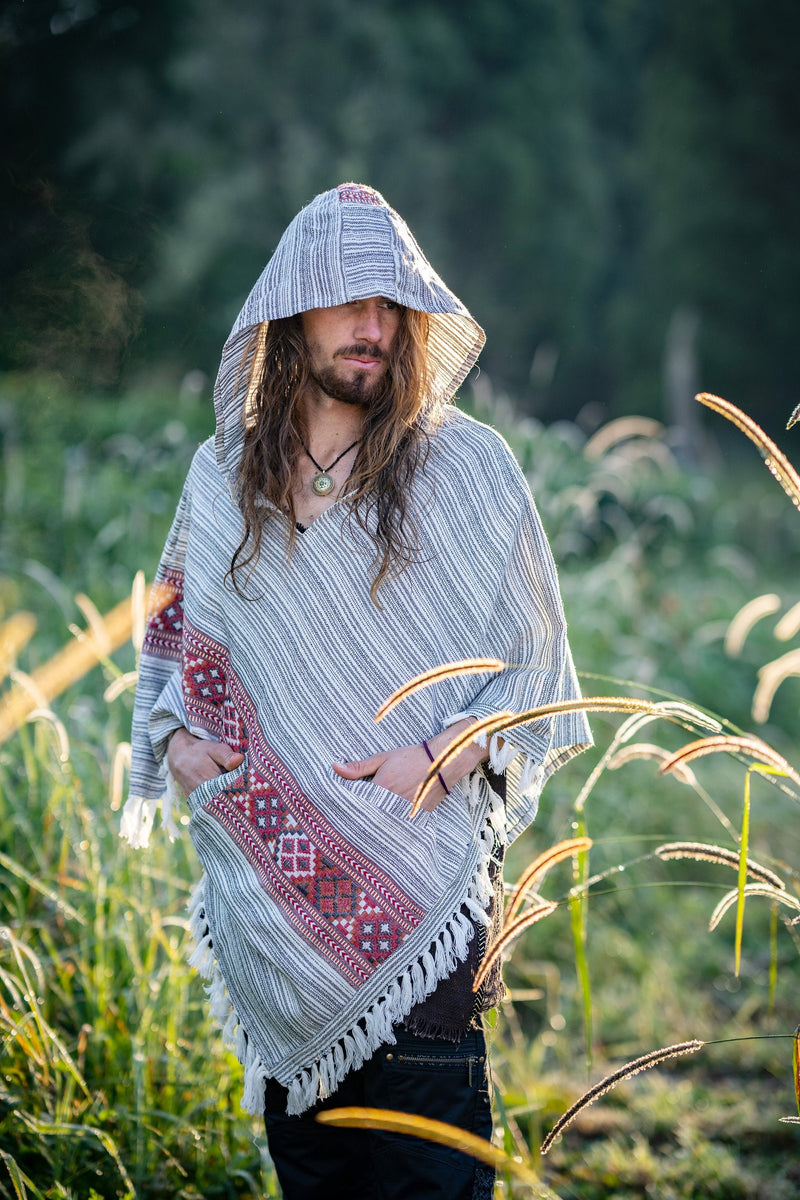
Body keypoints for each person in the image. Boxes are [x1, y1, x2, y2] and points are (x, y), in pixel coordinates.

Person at [124, 182, 591, 1200]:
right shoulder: (220, 478)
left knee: (430, 1178)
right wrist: (174, 747)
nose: (371, 328)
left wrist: (441, 753)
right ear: (289, 313)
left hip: (421, 907)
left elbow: (538, 673)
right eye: (345, 301)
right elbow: (168, 639)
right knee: (316, 1177)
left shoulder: (468, 469)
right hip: (270, 928)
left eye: (390, 306)